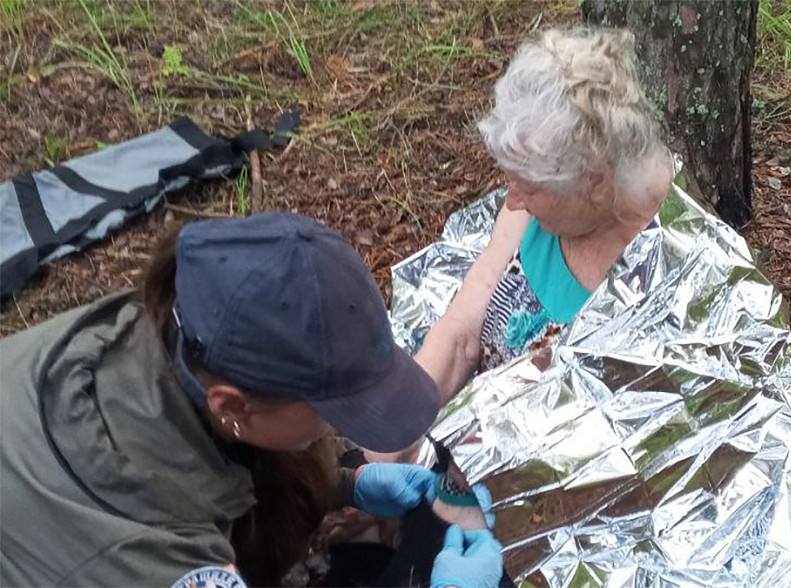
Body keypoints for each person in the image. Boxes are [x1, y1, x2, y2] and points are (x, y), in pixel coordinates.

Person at [0, 213, 503, 588]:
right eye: (331, 413)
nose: (336, 431)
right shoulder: (152, 552)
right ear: (233, 406)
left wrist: (342, 485)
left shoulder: (169, 326)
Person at [416, 27, 675, 403]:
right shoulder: (540, 210)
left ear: (596, 182)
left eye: (530, 188)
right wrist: (400, 423)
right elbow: (459, 333)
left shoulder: (666, 265)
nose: (513, 201)